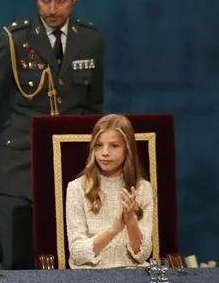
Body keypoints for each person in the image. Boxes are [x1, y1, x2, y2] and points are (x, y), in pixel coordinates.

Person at [0, 0, 105, 269]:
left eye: (61, 0)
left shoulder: (91, 40)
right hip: (19, 165)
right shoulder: (15, 40)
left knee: (72, 261)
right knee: (17, 263)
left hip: (71, 167)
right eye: (44, 0)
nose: (52, 9)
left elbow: (94, 108)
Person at [65, 114, 153, 268]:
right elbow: (77, 254)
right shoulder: (77, 188)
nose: (105, 152)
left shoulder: (143, 188)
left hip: (133, 273)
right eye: (99, 145)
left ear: (127, 149)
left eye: (114, 146)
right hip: (90, 275)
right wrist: (114, 230)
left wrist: (131, 221)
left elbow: (143, 255)